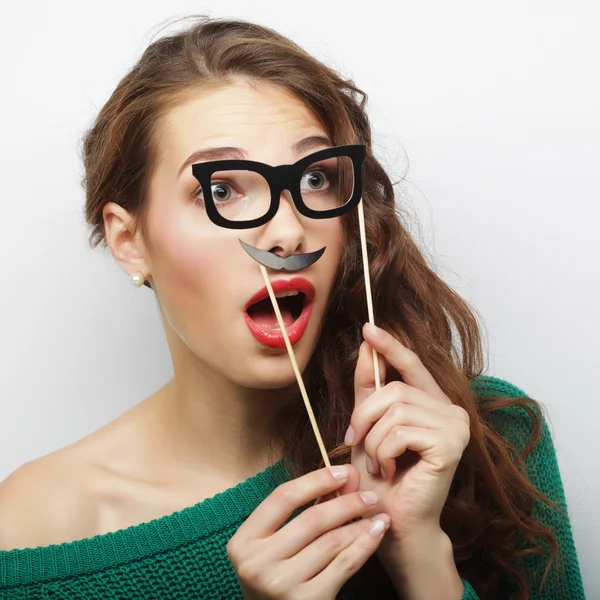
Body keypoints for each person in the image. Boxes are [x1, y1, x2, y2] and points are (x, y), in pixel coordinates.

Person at [0, 15, 586, 600]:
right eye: (222, 190)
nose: (286, 232)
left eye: (314, 180)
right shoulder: (30, 534)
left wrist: (421, 559)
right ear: (131, 242)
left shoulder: (477, 441)